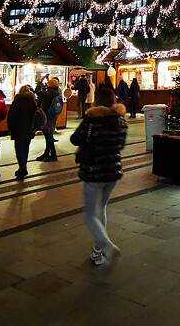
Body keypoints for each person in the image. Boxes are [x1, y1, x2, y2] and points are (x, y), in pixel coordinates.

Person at [70, 85, 128, 266]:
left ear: (97, 101)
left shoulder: (91, 120)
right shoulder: (121, 121)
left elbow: (75, 139)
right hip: (112, 172)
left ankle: (106, 246)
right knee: (100, 209)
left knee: (89, 214)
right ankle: (97, 253)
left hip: (94, 171)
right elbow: (120, 145)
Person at [8, 85, 40, 179]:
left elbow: (12, 115)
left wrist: (10, 128)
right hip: (30, 129)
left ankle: (22, 168)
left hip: (19, 129)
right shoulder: (33, 100)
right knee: (25, 148)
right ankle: (23, 166)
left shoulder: (18, 99)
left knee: (19, 149)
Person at [36, 77, 62, 162]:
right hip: (53, 116)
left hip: (46, 117)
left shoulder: (48, 93)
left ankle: (53, 155)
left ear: (49, 85)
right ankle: (47, 153)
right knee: (48, 136)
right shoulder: (57, 92)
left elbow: (37, 92)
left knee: (49, 136)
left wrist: (40, 81)